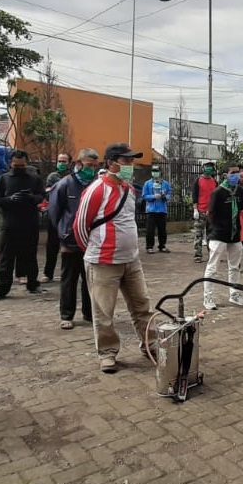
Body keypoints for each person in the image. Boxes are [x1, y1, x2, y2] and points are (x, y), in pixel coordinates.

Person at [74, 143, 155, 373]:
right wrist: (94, 252)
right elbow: (80, 226)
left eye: (132, 161)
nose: (130, 165)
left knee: (142, 306)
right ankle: (107, 353)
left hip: (131, 260)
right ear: (111, 164)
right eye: (126, 161)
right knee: (104, 312)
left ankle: (151, 344)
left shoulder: (129, 190)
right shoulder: (96, 190)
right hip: (103, 263)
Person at [48, 148, 99, 330]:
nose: (91, 169)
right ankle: (67, 314)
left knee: (90, 280)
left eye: (94, 166)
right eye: (88, 165)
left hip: (91, 242)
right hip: (70, 242)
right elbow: (54, 213)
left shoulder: (95, 185)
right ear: (78, 164)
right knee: (69, 280)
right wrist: (63, 234)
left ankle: (89, 313)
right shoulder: (64, 185)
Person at [0, 150, 45, 302]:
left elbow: (41, 196)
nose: (19, 167)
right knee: (6, 258)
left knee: (30, 256)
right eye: (16, 165)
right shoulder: (3, 179)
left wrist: (31, 198)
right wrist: (10, 199)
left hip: (30, 223)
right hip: (10, 224)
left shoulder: (35, 179)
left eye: (22, 165)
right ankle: (1, 289)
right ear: (10, 163)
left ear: (26, 163)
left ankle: (33, 284)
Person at [203, 165, 243, 310]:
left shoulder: (240, 191)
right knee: (213, 267)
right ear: (225, 175)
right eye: (232, 173)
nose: (236, 175)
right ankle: (208, 297)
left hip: (235, 234)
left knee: (235, 266)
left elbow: (242, 209)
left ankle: (234, 294)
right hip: (219, 234)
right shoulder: (218, 192)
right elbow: (210, 213)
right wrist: (213, 231)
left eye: (238, 173)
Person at [41, 152, 71, 282]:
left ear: (69, 162)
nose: (61, 163)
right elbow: (50, 194)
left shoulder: (73, 176)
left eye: (64, 161)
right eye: (59, 161)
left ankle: (68, 274)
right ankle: (48, 274)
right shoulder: (52, 177)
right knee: (52, 246)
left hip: (69, 216)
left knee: (69, 247)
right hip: (54, 215)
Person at [142, 165, 172, 254]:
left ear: (160, 172)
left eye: (157, 171)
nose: (155, 172)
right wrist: (153, 197)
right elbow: (144, 196)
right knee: (150, 230)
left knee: (162, 230)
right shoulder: (147, 183)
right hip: (151, 210)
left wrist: (164, 197)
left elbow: (169, 193)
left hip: (162, 210)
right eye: (153, 171)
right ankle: (149, 247)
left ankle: (162, 246)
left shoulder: (165, 183)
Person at [192, 161, 217, 263]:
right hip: (200, 211)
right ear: (203, 168)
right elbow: (194, 196)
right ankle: (197, 255)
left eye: (211, 167)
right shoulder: (198, 180)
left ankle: (211, 255)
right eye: (207, 167)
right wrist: (195, 209)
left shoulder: (214, 182)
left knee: (211, 235)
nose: (209, 169)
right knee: (199, 234)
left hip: (211, 212)